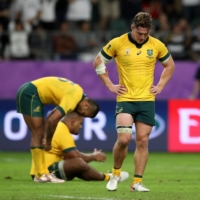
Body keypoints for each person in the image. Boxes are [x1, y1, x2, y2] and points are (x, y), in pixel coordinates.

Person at [93, 12, 175, 192]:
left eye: (146, 33)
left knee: (143, 141)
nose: (142, 36)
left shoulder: (157, 45)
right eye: (140, 33)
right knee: (123, 139)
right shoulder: (118, 42)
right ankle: (115, 175)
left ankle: (136, 182)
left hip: (147, 100)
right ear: (132, 28)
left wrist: (160, 85)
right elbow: (98, 62)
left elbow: (170, 65)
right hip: (126, 98)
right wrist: (109, 85)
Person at [16, 76, 100, 183]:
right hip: (30, 93)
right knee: (37, 133)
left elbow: (51, 115)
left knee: (40, 134)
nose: (79, 114)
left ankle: (43, 173)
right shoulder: (73, 98)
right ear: (86, 105)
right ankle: (40, 174)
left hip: (31, 92)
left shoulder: (77, 93)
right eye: (83, 113)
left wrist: (46, 137)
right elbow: (53, 120)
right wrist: (48, 142)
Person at [31, 111, 129, 182]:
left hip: (42, 170)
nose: (81, 126)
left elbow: (69, 157)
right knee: (78, 163)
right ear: (73, 122)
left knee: (80, 168)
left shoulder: (60, 127)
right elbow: (75, 157)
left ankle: (107, 177)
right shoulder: (62, 131)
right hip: (47, 170)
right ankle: (108, 177)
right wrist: (93, 156)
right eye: (80, 123)